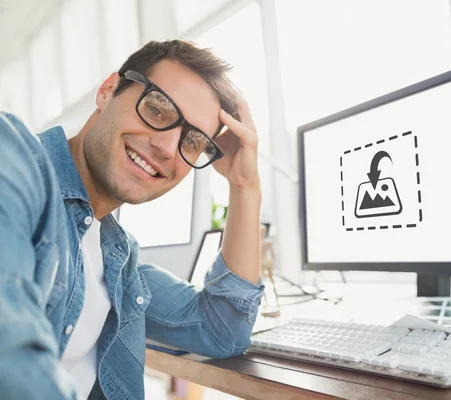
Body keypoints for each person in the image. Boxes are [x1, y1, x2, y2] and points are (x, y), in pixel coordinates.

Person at [0, 40, 264, 400]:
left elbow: (220, 331)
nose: (168, 148)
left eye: (192, 142)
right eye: (157, 110)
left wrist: (245, 185)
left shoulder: (118, 258)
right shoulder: (13, 159)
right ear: (108, 91)